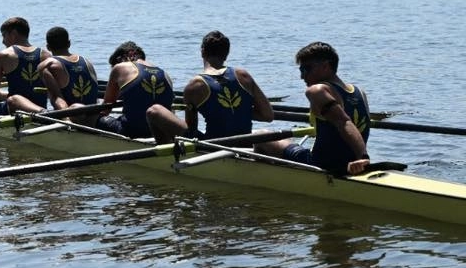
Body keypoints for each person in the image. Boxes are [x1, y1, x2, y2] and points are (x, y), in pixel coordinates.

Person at [256, 42, 370, 176]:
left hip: (320, 165)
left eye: (306, 69)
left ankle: (267, 179)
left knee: (260, 136)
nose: (302, 76)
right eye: (301, 70)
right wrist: (362, 158)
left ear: (325, 66)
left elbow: (343, 122)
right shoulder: (359, 92)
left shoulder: (317, 91)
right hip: (353, 164)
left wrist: (363, 156)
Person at [145, 30, 274, 143]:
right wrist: (239, 112)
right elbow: (268, 115)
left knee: (154, 111)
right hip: (245, 144)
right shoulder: (243, 76)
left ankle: (165, 152)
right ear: (227, 54)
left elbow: (191, 129)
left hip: (213, 146)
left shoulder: (195, 85)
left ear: (202, 52)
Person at [96, 41, 174, 139]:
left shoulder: (120, 67)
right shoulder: (165, 74)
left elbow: (106, 107)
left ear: (125, 57)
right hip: (161, 132)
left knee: (95, 119)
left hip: (131, 131)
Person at [0, 16, 47, 115]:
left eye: (4, 35)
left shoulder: (4, 55)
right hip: (41, 107)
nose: (3, 41)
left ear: (13, 34)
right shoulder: (46, 55)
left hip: (15, 110)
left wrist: (7, 95)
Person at [38, 26, 101, 121]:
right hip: (94, 114)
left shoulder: (49, 64)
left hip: (75, 116)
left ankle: (67, 120)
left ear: (48, 47)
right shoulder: (87, 61)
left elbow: (57, 98)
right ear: (69, 43)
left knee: (55, 95)